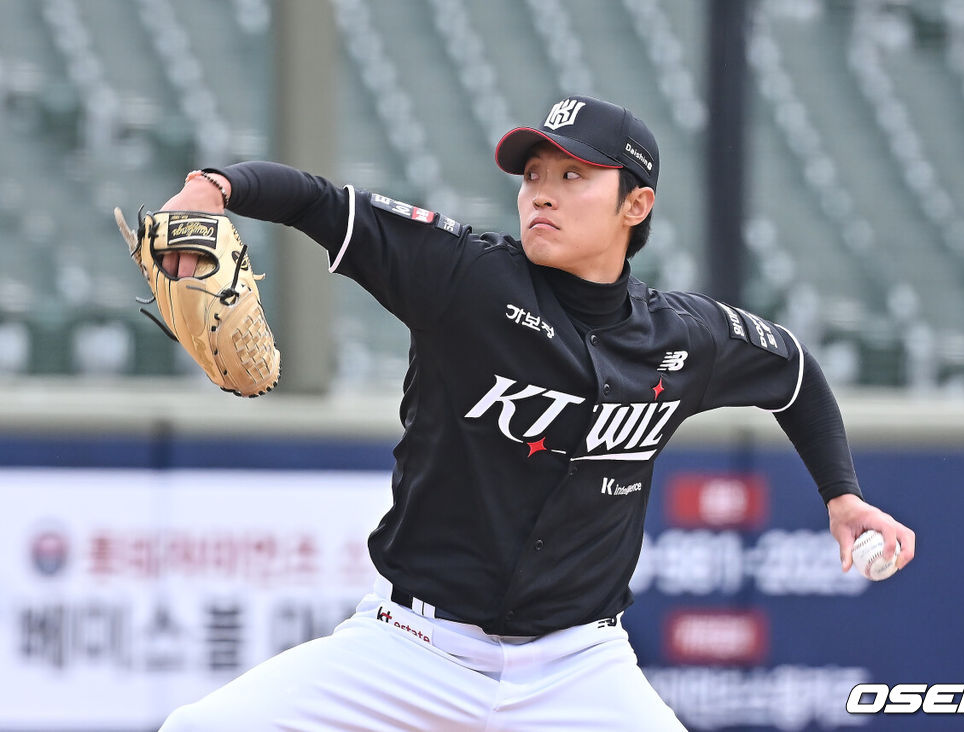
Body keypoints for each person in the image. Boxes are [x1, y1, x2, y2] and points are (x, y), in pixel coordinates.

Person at [156, 95, 915, 731]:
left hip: (579, 671)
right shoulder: (467, 279)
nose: (541, 191)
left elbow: (792, 371)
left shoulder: (685, 338)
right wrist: (214, 187)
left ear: (636, 204)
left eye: (573, 174)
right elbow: (323, 202)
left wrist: (840, 494)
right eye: (533, 174)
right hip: (412, 651)